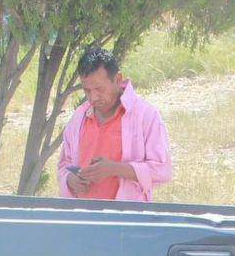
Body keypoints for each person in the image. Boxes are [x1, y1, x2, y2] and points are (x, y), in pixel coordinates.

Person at [57, 46, 173, 202]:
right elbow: (65, 165)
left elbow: (162, 170)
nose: (93, 98)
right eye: (87, 91)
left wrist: (114, 169)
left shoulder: (145, 116)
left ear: (118, 80)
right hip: (83, 219)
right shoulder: (80, 117)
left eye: (99, 89)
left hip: (126, 221)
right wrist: (71, 179)